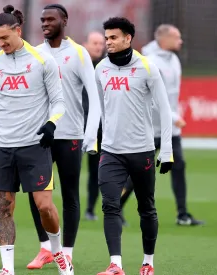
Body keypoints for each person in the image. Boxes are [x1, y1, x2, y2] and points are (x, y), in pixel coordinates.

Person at [0, 5, 73, 275]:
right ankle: (7, 268)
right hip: (3, 148)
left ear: (18, 31)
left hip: (35, 146)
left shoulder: (43, 61)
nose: (1, 44)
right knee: (4, 209)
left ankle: (58, 253)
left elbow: (58, 101)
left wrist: (52, 124)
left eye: (5, 38)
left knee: (44, 207)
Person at [94, 17, 173, 275]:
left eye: (114, 37)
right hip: (111, 152)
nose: (108, 42)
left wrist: (168, 151)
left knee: (146, 207)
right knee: (110, 205)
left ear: (128, 38)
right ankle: (115, 264)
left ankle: (148, 262)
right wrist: (97, 140)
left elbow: (164, 110)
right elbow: (101, 110)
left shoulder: (147, 68)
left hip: (142, 152)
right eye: (106, 38)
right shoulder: (101, 70)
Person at [25, 4, 101, 269]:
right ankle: (46, 248)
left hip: (70, 135)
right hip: (40, 137)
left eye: (50, 19)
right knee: (36, 194)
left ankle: (66, 251)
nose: (45, 23)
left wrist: (90, 137)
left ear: (64, 21)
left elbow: (94, 97)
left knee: (70, 195)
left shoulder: (79, 54)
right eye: (42, 19)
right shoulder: (34, 53)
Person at [120, 24, 204, 226]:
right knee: (139, 171)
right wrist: (175, 116)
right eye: (177, 37)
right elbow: (152, 97)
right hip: (149, 128)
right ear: (163, 39)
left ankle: (182, 214)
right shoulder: (148, 61)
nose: (180, 41)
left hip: (170, 129)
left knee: (179, 166)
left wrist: (173, 119)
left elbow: (171, 95)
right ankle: (115, 207)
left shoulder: (174, 60)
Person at [82, 31, 106, 222]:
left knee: (96, 171)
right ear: (86, 44)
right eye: (95, 43)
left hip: (98, 128)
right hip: (76, 126)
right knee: (68, 170)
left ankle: (90, 209)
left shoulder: (106, 67)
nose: (99, 46)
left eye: (101, 43)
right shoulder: (79, 63)